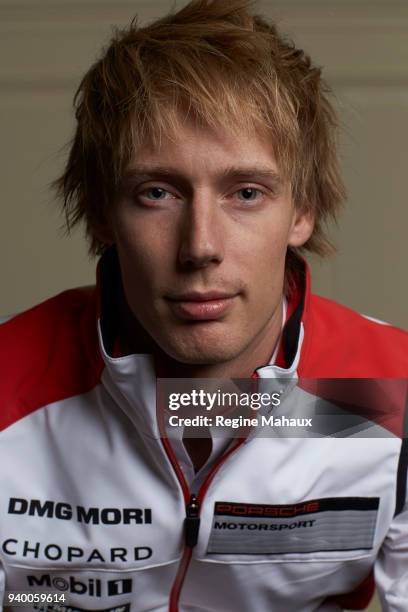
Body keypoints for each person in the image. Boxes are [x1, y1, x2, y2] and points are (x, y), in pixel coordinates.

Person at [0, 1, 407, 611]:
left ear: (302, 211)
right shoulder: (8, 384)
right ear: (105, 212)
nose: (200, 247)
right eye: (157, 192)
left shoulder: (394, 395)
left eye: (246, 192)